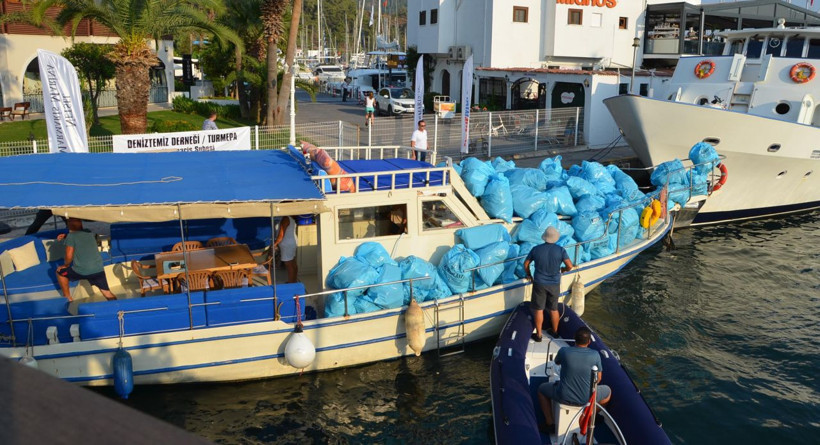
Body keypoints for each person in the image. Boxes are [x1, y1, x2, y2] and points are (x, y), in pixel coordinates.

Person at [537, 326, 612, 433]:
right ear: (589, 342)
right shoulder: (595, 355)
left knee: (541, 389)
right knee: (608, 392)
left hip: (562, 396)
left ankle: (550, 423)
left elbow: (557, 362)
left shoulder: (564, 351)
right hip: (586, 399)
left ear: (574, 338)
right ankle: (590, 416)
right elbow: (598, 379)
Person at [523, 226, 573, 342]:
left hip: (539, 283)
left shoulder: (536, 249)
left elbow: (526, 264)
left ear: (544, 237)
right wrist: (563, 270)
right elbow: (569, 266)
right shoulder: (561, 250)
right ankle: (555, 332)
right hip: (554, 283)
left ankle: (539, 335)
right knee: (553, 309)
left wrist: (529, 275)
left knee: (538, 309)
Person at [55, 218, 116, 302]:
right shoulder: (89, 232)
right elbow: (80, 237)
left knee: (60, 273)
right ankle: (118, 308)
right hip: (98, 270)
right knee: (107, 293)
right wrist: (66, 236)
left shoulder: (71, 237)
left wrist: (65, 265)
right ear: (81, 223)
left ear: (69, 224)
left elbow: (69, 256)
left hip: (81, 271)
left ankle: (67, 297)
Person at [274, 216, 298, 283]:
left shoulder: (285, 218)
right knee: (292, 263)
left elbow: (281, 234)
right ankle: (294, 281)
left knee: (289, 264)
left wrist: (275, 244)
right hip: (291, 242)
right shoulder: (290, 218)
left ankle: (291, 282)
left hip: (287, 244)